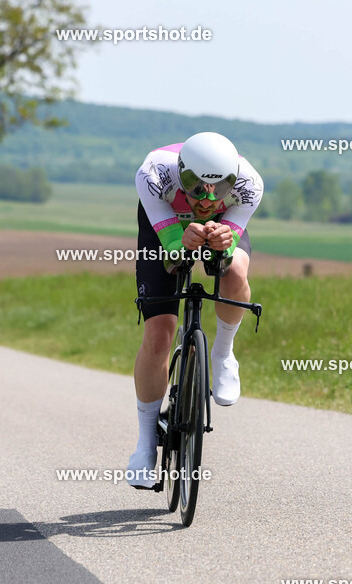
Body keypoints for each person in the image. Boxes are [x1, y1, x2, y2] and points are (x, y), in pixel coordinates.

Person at [127, 132, 263, 489]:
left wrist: (223, 241)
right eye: (197, 188)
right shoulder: (154, 174)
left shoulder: (250, 184)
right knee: (159, 334)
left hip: (223, 225)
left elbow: (228, 245)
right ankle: (145, 444)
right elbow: (172, 250)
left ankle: (223, 353)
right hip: (165, 225)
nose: (206, 199)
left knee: (234, 271)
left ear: (233, 180)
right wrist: (180, 239)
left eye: (218, 190)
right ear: (182, 174)